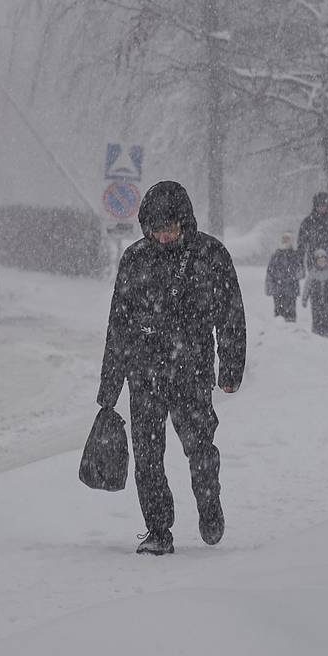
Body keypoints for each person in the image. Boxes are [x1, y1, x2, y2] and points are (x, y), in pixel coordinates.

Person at [97, 180, 246, 555]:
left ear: (185, 223)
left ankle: (209, 505)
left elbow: (231, 315)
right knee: (147, 457)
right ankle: (158, 531)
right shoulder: (135, 259)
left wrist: (230, 368)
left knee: (199, 448)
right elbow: (120, 323)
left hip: (191, 372)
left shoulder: (210, 255)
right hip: (143, 374)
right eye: (154, 230)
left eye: (169, 229)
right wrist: (110, 386)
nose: (162, 237)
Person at [303, 248, 328, 337]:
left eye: (323, 261)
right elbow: (307, 287)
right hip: (316, 301)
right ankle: (316, 330)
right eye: (319, 261)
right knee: (316, 316)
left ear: (327, 261)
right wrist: (305, 298)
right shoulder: (312, 274)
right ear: (315, 262)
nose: (322, 263)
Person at [265, 232, 303, 322]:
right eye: (284, 239)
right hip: (278, 289)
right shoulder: (276, 255)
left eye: (288, 239)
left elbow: (301, 271)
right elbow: (270, 272)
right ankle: (279, 331)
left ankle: (291, 329)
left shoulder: (295, 255)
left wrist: (294, 276)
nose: (286, 241)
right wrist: (269, 287)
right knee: (279, 312)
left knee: (291, 313)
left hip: (291, 289)